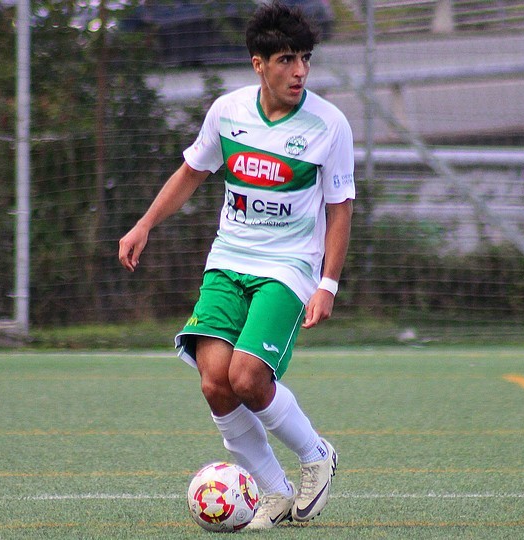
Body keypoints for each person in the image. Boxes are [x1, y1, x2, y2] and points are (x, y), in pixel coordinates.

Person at [117, 1, 355, 529]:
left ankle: (316, 454)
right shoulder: (227, 112)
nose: (299, 71)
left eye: (305, 59)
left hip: (288, 266)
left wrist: (328, 284)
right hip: (228, 260)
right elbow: (191, 172)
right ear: (258, 64)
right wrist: (144, 225)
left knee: (247, 377)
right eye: (287, 60)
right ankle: (274, 491)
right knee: (215, 383)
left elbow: (340, 208)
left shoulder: (329, 125)